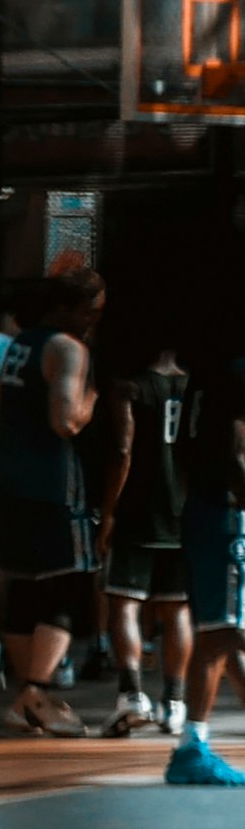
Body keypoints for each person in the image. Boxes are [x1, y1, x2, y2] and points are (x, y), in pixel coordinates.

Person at [0, 271, 103, 736]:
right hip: (53, 489)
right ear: (66, 309)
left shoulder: (20, 344)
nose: (92, 321)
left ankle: (27, 699)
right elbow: (65, 420)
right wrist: (92, 398)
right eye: (89, 311)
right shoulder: (68, 349)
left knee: (24, 589)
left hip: (11, 484)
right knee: (66, 588)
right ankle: (34, 692)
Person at [101, 338, 194, 735]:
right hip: (186, 510)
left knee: (124, 601)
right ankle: (174, 703)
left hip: (139, 507)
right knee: (177, 609)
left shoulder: (130, 387)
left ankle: (131, 696)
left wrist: (107, 511)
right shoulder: (196, 388)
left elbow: (123, 449)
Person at [168, 343, 245, 789]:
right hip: (225, 510)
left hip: (201, 506)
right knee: (224, 632)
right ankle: (191, 745)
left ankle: (192, 745)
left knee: (218, 635)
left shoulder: (203, 372)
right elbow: (234, 453)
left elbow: (186, 447)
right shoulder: (235, 373)